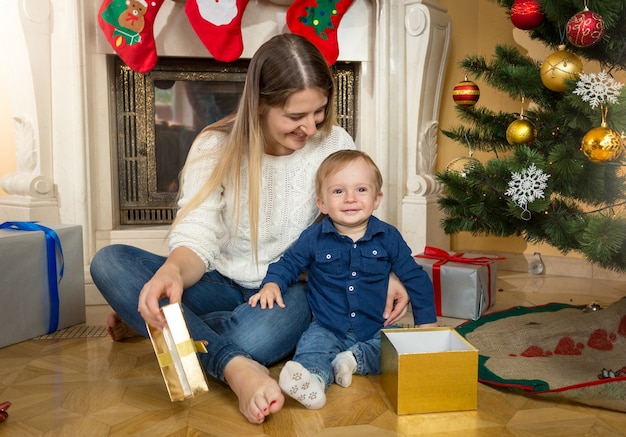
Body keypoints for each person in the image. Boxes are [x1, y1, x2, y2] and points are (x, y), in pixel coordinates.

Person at [90, 34, 411, 425]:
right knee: (109, 262)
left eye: (320, 112)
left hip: (292, 288)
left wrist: (386, 270)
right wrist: (171, 272)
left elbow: (354, 216)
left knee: (252, 340)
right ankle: (235, 368)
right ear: (260, 104)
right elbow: (197, 234)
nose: (310, 128)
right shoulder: (214, 146)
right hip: (217, 281)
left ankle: (156, 324)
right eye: (296, 117)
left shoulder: (334, 143)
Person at [249, 150, 438, 410]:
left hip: (373, 326)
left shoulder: (388, 237)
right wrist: (271, 284)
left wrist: (426, 322)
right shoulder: (314, 237)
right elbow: (289, 264)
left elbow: (414, 277)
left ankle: (351, 361)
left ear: (376, 199)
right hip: (327, 325)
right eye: (338, 191)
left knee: (396, 344)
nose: (350, 198)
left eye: (361, 189)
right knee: (312, 349)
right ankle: (313, 381)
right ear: (322, 204)